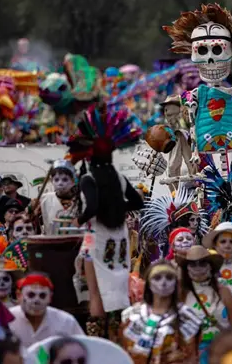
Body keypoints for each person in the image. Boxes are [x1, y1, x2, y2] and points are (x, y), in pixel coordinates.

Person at [70, 102, 144, 341]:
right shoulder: (119, 178)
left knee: (96, 292)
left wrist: (79, 219)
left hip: (95, 239)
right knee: (118, 287)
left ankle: (99, 339)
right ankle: (118, 334)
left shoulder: (88, 178)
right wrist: (117, 207)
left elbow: (91, 207)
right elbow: (137, 202)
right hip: (120, 240)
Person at [118, 260, 202, 363]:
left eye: (169, 278)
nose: (163, 283)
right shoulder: (131, 315)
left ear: (176, 283)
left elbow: (192, 357)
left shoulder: (188, 317)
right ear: (148, 283)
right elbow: (123, 354)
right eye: (157, 278)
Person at [179, 245, 232, 363]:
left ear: (210, 266)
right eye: (193, 264)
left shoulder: (223, 290)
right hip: (194, 355)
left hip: (222, 353)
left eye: (202, 263)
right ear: (186, 268)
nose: (198, 268)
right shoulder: (182, 294)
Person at [8, 272, 84, 348]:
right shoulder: (6, 319)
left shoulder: (66, 322)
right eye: (31, 295)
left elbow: (84, 348)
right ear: (19, 295)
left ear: (50, 297)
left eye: (42, 295)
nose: (36, 301)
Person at [38, 159, 81, 235]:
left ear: (73, 181)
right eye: (56, 180)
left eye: (65, 180)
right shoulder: (45, 199)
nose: (60, 183)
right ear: (52, 181)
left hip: (76, 244)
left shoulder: (81, 200)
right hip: (51, 244)